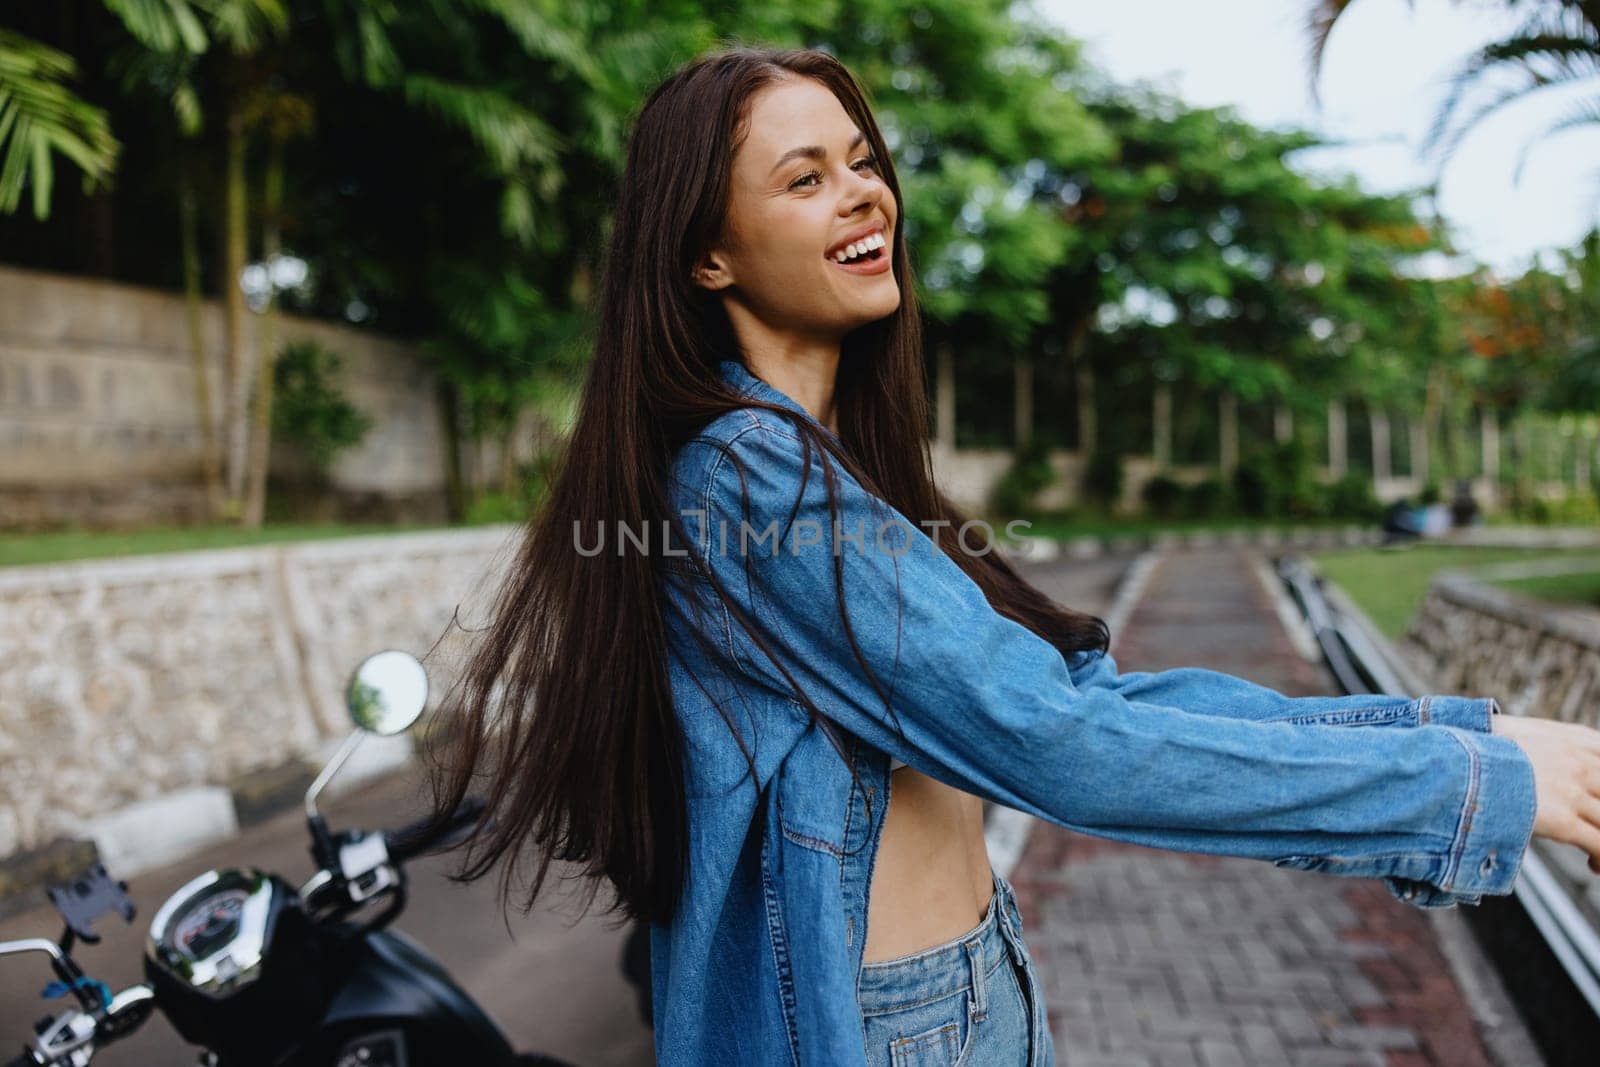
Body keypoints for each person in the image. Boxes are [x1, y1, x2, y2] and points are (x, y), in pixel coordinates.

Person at [412, 45, 1600, 1067]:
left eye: (863, 160)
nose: (861, 195)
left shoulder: (823, 463)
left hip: (962, 982)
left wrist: (1460, 738)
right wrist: (1473, 787)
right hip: (887, 1023)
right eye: (804, 177)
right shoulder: (747, 478)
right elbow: (1059, 747)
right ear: (704, 257)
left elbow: (1081, 697)